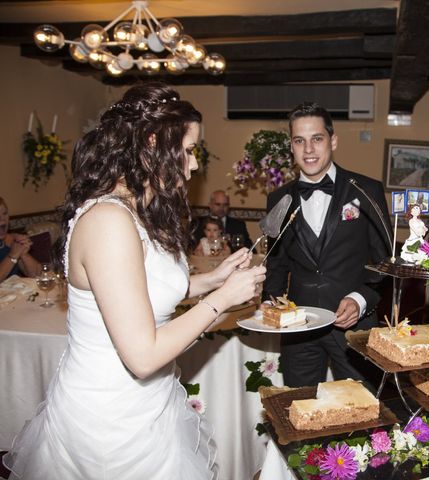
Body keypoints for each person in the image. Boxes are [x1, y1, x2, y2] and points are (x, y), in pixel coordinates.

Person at [3, 83, 266, 479]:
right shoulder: (108, 221)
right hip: (108, 422)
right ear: (152, 142)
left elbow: (145, 290)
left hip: (150, 408)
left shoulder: (139, 213)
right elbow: (142, 357)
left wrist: (212, 279)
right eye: (189, 151)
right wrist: (223, 300)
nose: (193, 166)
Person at [262, 102, 390, 388]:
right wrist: (270, 303)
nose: (308, 150)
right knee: (301, 411)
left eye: (317, 139)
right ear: (292, 146)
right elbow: (277, 262)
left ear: (333, 141)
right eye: (299, 141)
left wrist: (360, 300)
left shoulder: (366, 190)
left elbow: (385, 262)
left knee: (362, 410)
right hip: (299, 329)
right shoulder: (278, 199)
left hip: (354, 328)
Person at [0, 196, 42, 282]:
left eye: (4, 213)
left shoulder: (10, 241)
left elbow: (37, 275)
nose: (2, 219)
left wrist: (23, 253)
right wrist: (12, 256)